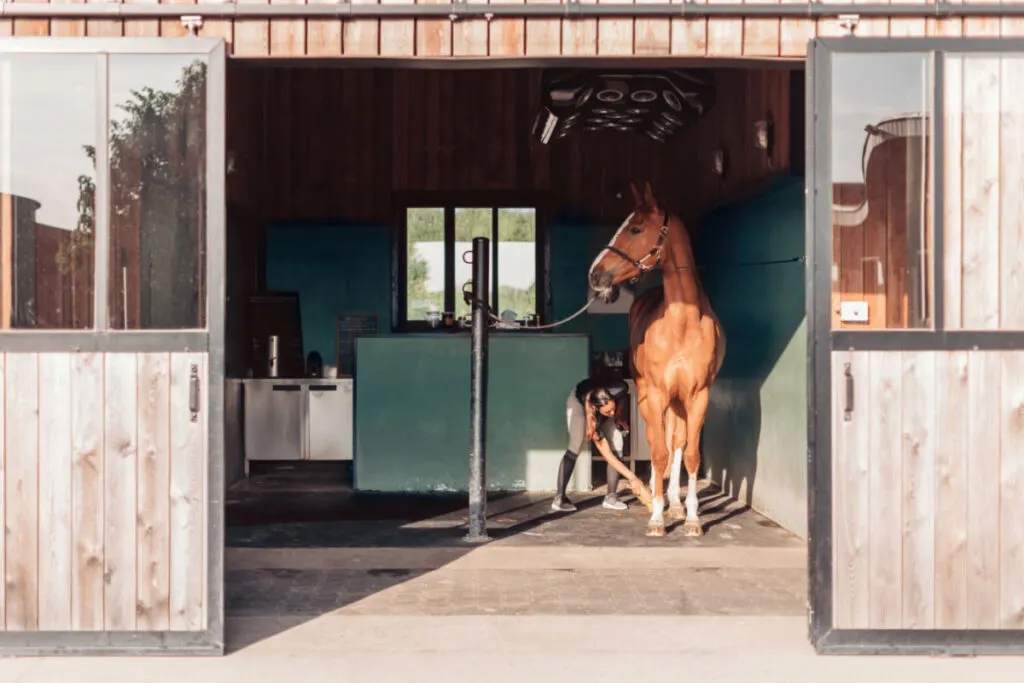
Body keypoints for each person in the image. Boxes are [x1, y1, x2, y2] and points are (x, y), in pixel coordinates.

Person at [551, 374, 642, 513]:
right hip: (578, 402)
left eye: (612, 408)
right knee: (575, 445)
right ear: (596, 409)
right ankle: (559, 498)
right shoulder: (590, 412)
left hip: (601, 401)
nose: (611, 413)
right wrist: (633, 478)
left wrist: (617, 416)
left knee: (618, 442)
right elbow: (607, 454)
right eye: (608, 411)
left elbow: (620, 400)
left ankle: (611, 497)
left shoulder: (620, 389)